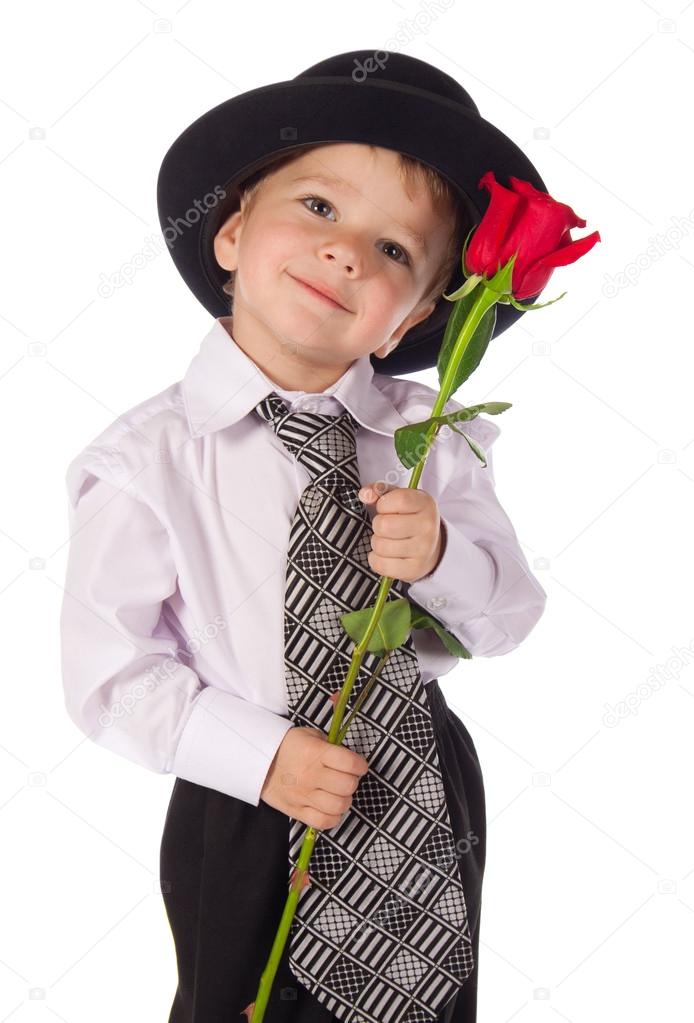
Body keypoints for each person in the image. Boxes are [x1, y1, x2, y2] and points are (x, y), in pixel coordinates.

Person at [59, 49, 548, 1023]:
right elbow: (107, 671)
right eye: (319, 210)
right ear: (232, 233)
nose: (348, 255)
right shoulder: (148, 459)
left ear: (409, 318)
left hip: (415, 787)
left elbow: (503, 618)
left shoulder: (431, 442)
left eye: (396, 252)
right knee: (238, 1002)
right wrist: (259, 755)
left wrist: (443, 559)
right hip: (244, 795)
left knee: (429, 1002)